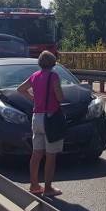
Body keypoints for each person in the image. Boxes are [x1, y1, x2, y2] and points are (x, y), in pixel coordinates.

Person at [17, 51, 65, 197]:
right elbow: (60, 97)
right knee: (51, 155)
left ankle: (34, 185)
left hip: (36, 117)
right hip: (51, 118)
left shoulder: (35, 76)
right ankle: (48, 188)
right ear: (53, 62)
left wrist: (34, 99)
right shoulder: (54, 76)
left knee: (37, 153)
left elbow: (20, 89)